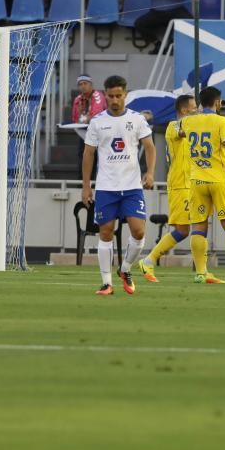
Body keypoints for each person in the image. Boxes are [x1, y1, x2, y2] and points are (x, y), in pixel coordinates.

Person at [81, 75, 155, 296]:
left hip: (132, 186)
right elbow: (88, 154)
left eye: (119, 96)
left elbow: (150, 147)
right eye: (111, 96)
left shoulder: (137, 119)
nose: (115, 100)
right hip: (106, 187)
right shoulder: (97, 122)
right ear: (105, 96)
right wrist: (86, 186)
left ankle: (125, 270)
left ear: (126, 95)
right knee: (105, 232)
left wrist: (150, 173)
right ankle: (106, 283)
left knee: (139, 231)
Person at [180, 86, 225, 285]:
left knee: (199, 227)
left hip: (197, 181)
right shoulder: (222, 121)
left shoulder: (189, 121)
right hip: (219, 180)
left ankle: (201, 272)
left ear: (201, 102)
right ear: (218, 102)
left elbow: (180, 131)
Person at [136, 94, 195, 281]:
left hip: (192, 184)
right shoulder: (173, 126)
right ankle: (149, 260)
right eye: (194, 108)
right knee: (183, 230)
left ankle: (202, 271)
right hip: (180, 185)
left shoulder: (191, 128)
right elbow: (183, 131)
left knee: (198, 227)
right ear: (185, 110)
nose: (197, 111)